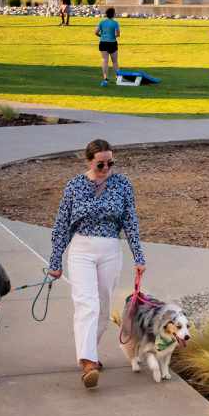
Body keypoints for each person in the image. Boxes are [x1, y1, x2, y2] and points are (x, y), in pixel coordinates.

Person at [46, 138, 145, 389]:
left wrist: (139, 257)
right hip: (82, 249)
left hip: (110, 249)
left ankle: (89, 351)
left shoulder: (122, 184)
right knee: (86, 303)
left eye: (110, 163)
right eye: (101, 164)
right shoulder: (75, 186)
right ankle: (88, 362)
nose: (106, 168)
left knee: (101, 309)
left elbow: (130, 222)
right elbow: (61, 226)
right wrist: (55, 261)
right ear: (89, 161)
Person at [95, 7, 120, 86]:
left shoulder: (102, 22)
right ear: (113, 14)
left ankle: (105, 78)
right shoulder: (115, 23)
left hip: (103, 43)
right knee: (115, 62)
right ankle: (117, 78)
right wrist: (113, 36)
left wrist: (102, 36)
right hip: (112, 43)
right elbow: (118, 34)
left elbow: (96, 32)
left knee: (105, 60)